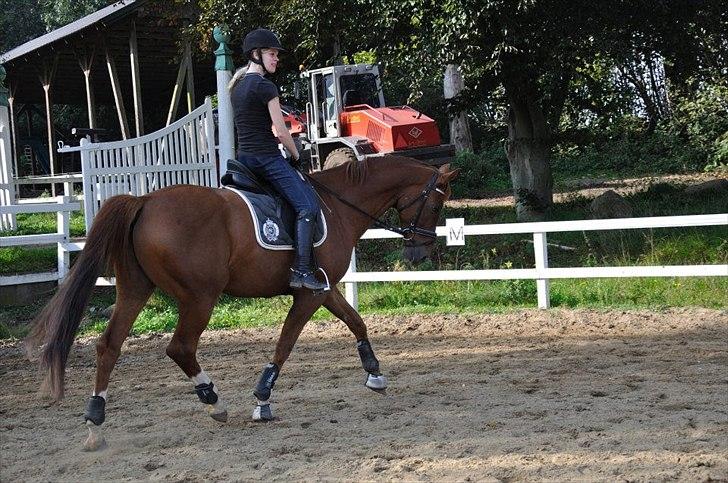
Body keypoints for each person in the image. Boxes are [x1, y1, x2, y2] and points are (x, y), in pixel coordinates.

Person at [229, 28, 327, 292]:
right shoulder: (264, 86)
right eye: (272, 54)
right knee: (307, 206)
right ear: (256, 55)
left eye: (275, 55)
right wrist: (297, 155)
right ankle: (303, 270)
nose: (276, 59)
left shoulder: (237, 88)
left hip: (244, 160)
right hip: (266, 159)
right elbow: (281, 131)